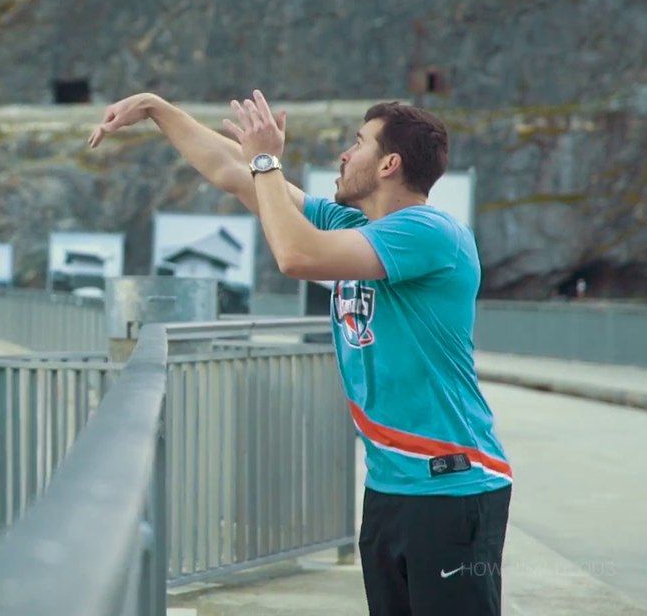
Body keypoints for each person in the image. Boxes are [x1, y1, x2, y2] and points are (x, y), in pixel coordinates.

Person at [89, 90, 513, 616]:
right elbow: (231, 171)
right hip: (390, 485)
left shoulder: (430, 232)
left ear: (389, 163)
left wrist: (267, 161)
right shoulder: (354, 225)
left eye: (357, 144)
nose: (343, 155)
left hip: (453, 487)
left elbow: (295, 254)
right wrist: (157, 109)